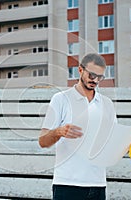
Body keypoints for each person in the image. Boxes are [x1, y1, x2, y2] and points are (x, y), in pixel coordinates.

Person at [39, 53, 116, 200]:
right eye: (92, 74)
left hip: (97, 185)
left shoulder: (107, 104)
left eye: (100, 77)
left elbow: (113, 141)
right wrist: (59, 131)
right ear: (80, 70)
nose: (95, 80)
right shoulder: (61, 99)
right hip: (67, 185)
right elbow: (42, 141)